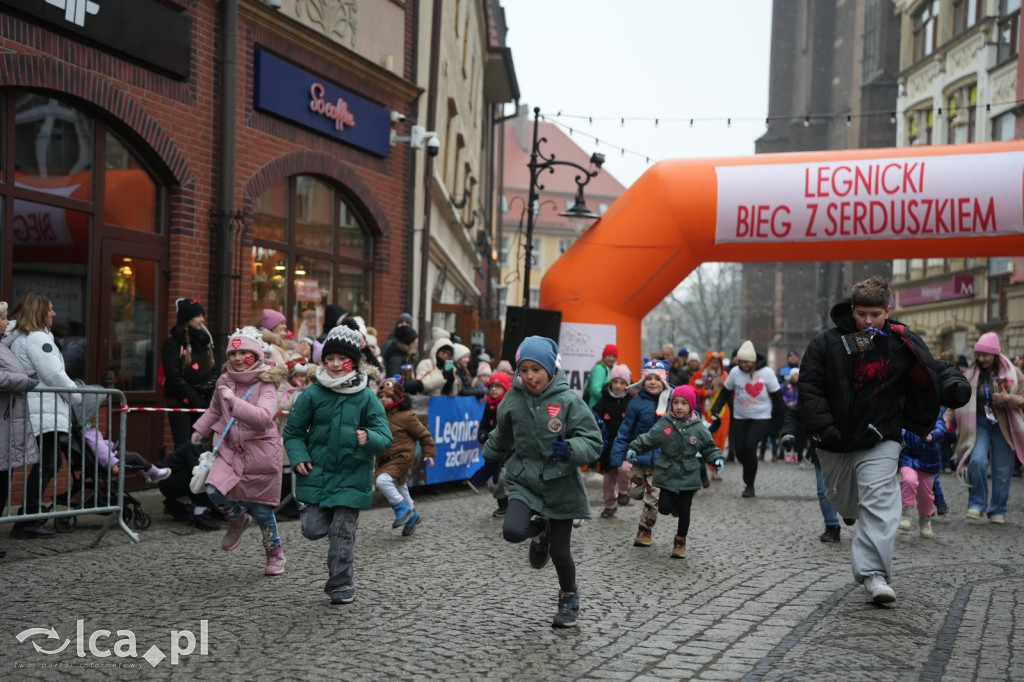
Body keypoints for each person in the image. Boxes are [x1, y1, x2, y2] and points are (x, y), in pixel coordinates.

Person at [783, 276, 969, 604]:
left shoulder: (902, 342)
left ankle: (874, 574)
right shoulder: (827, 344)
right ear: (851, 311)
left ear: (888, 310)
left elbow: (934, 367)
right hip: (835, 440)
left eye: (875, 314)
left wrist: (954, 384)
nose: (868, 321)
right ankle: (850, 510)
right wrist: (823, 427)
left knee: (880, 501)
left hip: (882, 436)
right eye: (861, 314)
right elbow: (810, 387)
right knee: (843, 500)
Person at [470, 336, 602, 628]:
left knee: (561, 553)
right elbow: (502, 433)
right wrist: (489, 459)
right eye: (524, 369)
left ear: (550, 370)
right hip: (525, 479)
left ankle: (569, 596)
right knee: (513, 531)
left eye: (536, 369)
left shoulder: (568, 400)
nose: (529, 376)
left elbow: (593, 440)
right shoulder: (513, 398)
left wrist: (570, 449)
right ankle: (540, 530)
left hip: (561, 484)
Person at [283, 321, 393, 604]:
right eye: (329, 358)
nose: (334, 364)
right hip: (317, 475)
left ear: (354, 363)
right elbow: (293, 432)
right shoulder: (312, 394)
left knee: (342, 533)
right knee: (312, 529)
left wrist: (367, 436)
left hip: (351, 476)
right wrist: (299, 457)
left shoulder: (367, 397)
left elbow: (385, 436)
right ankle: (312, 513)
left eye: (342, 359)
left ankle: (342, 584)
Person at [191, 326, 289, 576]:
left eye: (245, 353)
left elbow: (264, 417)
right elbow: (214, 409)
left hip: (260, 453)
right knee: (213, 488)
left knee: (262, 511)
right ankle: (236, 519)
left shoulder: (266, 381)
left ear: (256, 356)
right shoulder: (224, 380)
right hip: (229, 449)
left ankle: (275, 554)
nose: (237, 359)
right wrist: (201, 429)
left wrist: (234, 402)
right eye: (233, 354)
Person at [3, 292, 82, 539]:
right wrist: (77, 396)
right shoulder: (37, 339)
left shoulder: (27, 337)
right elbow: (55, 374)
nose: (54, 314)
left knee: (48, 463)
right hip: (42, 412)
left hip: (37, 410)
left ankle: (29, 517)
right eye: (50, 309)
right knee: (48, 463)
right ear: (39, 312)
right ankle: (28, 519)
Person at [626, 385, 724, 558]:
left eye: (684, 404)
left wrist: (716, 460)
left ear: (691, 406)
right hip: (667, 472)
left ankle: (680, 541)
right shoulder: (665, 423)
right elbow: (649, 438)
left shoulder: (698, 427)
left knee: (685, 511)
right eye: (676, 403)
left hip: (688, 474)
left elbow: (709, 447)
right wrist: (635, 448)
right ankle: (674, 506)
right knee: (664, 508)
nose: (679, 407)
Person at [952, 332, 1024, 524]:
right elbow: (960, 399)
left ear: (995, 354)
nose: (981, 358)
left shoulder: (1013, 373)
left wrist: (1008, 398)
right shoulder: (970, 373)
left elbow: (1023, 399)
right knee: (976, 461)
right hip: (980, 423)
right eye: (979, 354)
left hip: (1004, 425)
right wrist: (947, 417)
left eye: (985, 354)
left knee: (1001, 471)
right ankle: (977, 503)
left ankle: (998, 510)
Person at [610, 359, 672, 547]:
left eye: (657, 379)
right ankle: (646, 497)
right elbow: (625, 430)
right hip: (639, 457)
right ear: (643, 381)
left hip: (661, 460)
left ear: (665, 382)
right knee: (635, 493)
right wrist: (617, 454)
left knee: (652, 499)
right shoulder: (635, 404)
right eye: (649, 378)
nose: (653, 382)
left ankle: (644, 530)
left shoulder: (671, 404)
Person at [710, 340, 783, 498]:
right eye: (740, 361)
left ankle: (749, 485)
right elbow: (725, 393)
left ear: (754, 360)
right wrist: (716, 408)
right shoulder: (735, 372)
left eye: (747, 362)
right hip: (740, 416)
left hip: (761, 416)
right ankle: (749, 467)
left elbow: (778, 398)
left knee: (750, 447)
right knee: (740, 452)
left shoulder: (767, 373)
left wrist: (780, 421)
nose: (743, 365)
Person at [0, 300, 40, 556]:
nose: (8, 322)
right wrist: (24, 381)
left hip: (5, 425)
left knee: (2, 486)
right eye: (4, 318)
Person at [376, 377, 435, 536]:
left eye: (388, 396)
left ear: (397, 397)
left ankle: (401, 508)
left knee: (382, 480)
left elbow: (423, 435)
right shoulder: (378, 416)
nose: (383, 400)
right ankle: (413, 513)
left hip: (402, 456)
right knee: (400, 485)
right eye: (380, 397)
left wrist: (428, 453)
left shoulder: (406, 415)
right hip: (386, 458)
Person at [161, 298, 217, 450]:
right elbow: (174, 377)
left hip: (203, 403)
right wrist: (195, 400)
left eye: (202, 315)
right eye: (198, 316)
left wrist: (210, 392)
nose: (202, 320)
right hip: (181, 404)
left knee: (202, 447)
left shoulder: (206, 343)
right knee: (185, 447)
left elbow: (213, 369)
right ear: (187, 318)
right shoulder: (173, 344)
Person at [592, 364, 633, 518]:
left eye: (622, 383)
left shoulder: (630, 402)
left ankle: (624, 491)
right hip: (608, 445)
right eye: (615, 382)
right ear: (610, 383)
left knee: (625, 468)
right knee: (609, 477)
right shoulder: (604, 400)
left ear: (627, 385)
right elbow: (594, 416)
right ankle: (610, 505)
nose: (618, 386)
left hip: (625, 445)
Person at [898, 414, 946, 539]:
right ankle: (906, 512)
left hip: (928, 459)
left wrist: (933, 435)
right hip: (908, 455)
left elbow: (941, 427)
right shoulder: (906, 406)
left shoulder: (934, 409)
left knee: (926, 495)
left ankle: (925, 519)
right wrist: (900, 434)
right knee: (909, 480)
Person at [476, 371, 513, 516]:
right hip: (493, 450)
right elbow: (483, 426)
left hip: (508, 450)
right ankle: (503, 505)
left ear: (505, 388)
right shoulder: (489, 405)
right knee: (493, 481)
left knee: (506, 478)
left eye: (498, 387)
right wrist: (482, 435)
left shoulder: (509, 405)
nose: (494, 389)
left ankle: (517, 506)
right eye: (492, 386)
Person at [692, 351, 729, 475]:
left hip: (721, 412)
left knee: (719, 440)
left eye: (716, 363)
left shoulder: (725, 376)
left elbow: (732, 393)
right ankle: (701, 467)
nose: (714, 365)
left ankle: (715, 469)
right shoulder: (699, 375)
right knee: (703, 439)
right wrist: (705, 393)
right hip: (702, 411)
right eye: (712, 362)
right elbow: (690, 390)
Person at [586, 344, 618, 408]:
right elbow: (595, 390)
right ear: (604, 356)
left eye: (614, 356)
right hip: (596, 407)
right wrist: (611, 398)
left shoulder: (610, 369)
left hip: (602, 407)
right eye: (608, 356)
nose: (611, 358)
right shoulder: (600, 368)